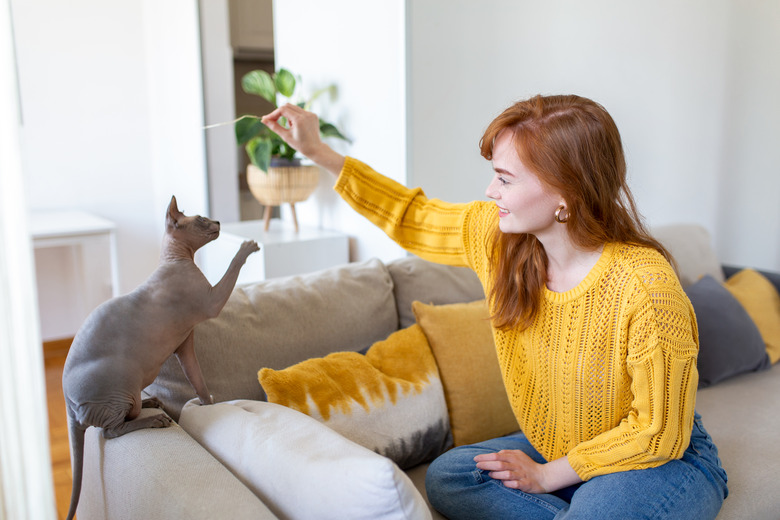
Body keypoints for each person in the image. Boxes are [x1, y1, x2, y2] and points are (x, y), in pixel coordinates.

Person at [262, 94, 728, 519]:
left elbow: (658, 433)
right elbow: (412, 216)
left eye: (505, 178)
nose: (490, 190)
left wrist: (546, 478)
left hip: (658, 459)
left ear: (566, 193)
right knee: (451, 476)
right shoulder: (499, 240)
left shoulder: (645, 285)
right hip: (560, 449)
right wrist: (319, 152)